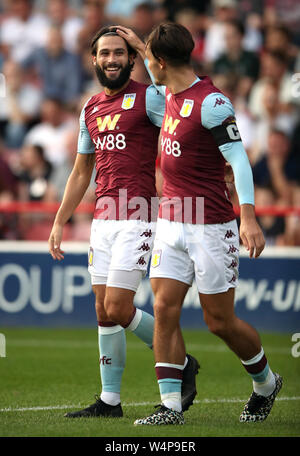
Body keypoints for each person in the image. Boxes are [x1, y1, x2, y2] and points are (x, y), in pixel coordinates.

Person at [115, 22, 283, 426]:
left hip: (211, 225)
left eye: (147, 59)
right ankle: (169, 406)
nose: (144, 66)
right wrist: (140, 44)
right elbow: (160, 78)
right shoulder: (168, 91)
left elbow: (239, 159)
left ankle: (265, 382)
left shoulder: (213, 103)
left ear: (161, 62)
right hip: (171, 220)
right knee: (163, 309)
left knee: (218, 321)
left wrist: (248, 215)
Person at [48, 25, 200, 419]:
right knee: (103, 311)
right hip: (102, 219)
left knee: (118, 306)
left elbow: (178, 99)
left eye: (119, 53)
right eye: (104, 53)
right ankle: (110, 401)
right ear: (94, 60)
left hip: (139, 214)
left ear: (131, 59)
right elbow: (82, 170)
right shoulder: (90, 108)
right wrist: (59, 221)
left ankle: (181, 363)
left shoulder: (149, 97)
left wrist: (144, 47)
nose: (112, 59)